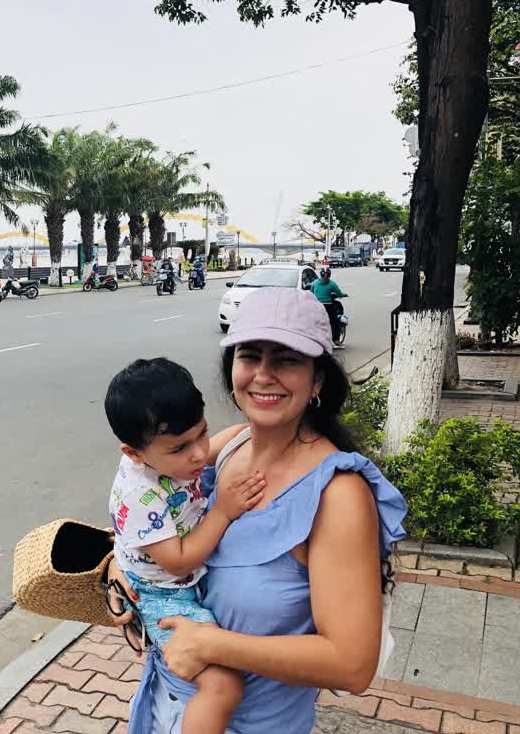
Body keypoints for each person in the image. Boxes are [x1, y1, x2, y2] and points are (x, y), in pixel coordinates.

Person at [105, 287, 406, 734]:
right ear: (233, 370)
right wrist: (116, 572)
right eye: (250, 356)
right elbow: (146, 515)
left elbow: (352, 665)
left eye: (286, 359)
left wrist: (212, 644)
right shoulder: (229, 448)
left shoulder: (336, 495)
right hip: (160, 708)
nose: (264, 375)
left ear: (317, 379)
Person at [105, 359, 265, 734]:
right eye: (180, 448)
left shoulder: (168, 460)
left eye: (202, 433)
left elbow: (210, 448)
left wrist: (253, 428)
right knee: (222, 686)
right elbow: (178, 562)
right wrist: (223, 511)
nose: (197, 454)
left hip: (168, 581)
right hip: (162, 597)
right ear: (133, 453)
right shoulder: (141, 495)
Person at [310, 268, 347, 348]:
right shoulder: (332, 284)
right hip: (328, 306)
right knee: (334, 322)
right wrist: (343, 295)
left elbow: (311, 294)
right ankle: (336, 340)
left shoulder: (314, 283)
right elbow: (339, 293)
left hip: (317, 307)